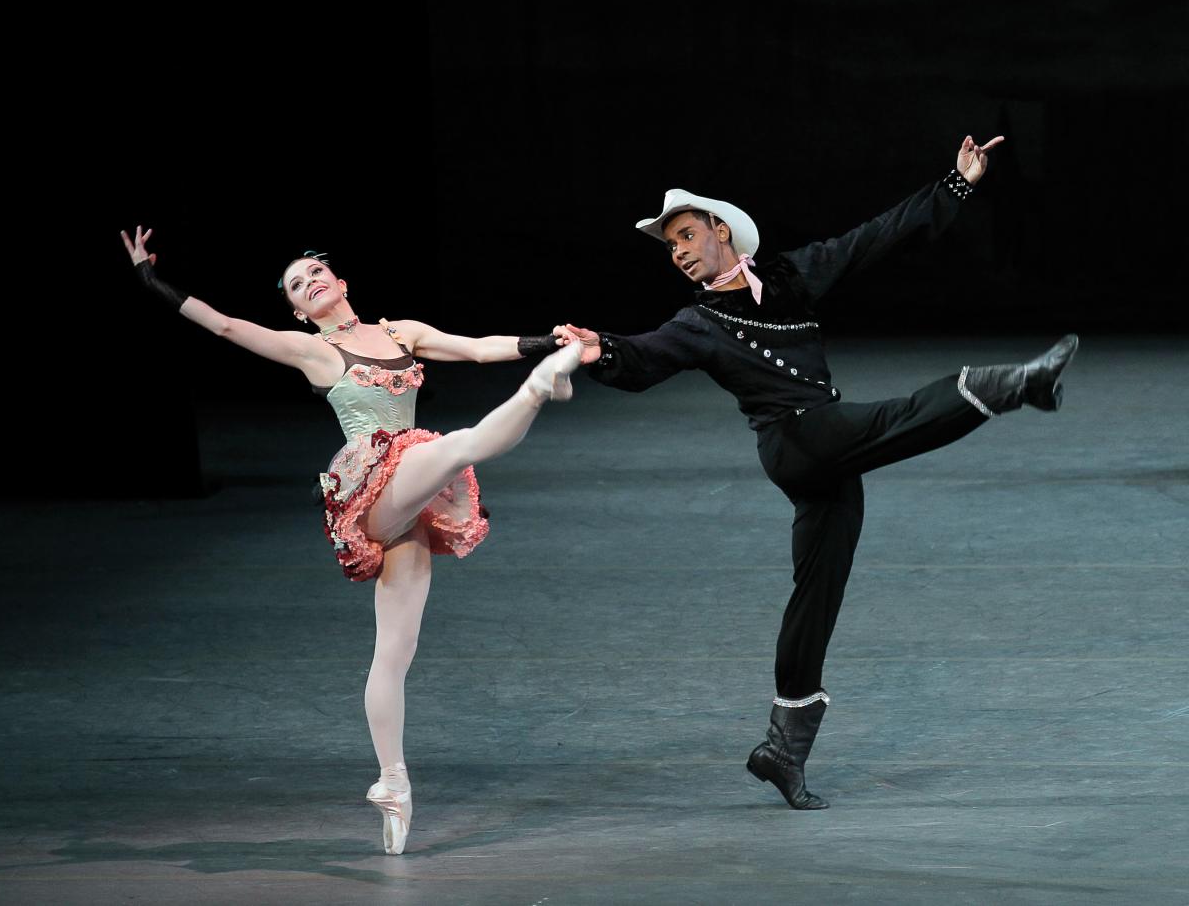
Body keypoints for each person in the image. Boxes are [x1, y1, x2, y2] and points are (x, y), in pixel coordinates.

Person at [557, 135, 1078, 810]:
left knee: (817, 594)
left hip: (827, 451)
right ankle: (1015, 386)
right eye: (670, 246)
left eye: (686, 234)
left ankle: (783, 749)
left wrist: (956, 183)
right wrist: (599, 349)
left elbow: (873, 238)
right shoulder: (699, 321)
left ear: (720, 229)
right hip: (797, 440)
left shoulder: (791, 278)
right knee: (896, 416)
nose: (679, 250)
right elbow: (643, 358)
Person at [121, 228, 581, 853]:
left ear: (340, 284)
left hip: (410, 500)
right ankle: (542, 387)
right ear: (298, 311)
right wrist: (153, 280)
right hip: (371, 491)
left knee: (394, 652)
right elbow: (227, 326)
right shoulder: (311, 351)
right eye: (295, 286)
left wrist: (540, 340)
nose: (309, 282)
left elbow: (475, 349)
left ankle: (393, 783)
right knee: (455, 448)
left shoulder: (402, 333)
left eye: (314, 272)